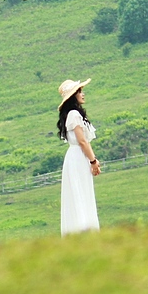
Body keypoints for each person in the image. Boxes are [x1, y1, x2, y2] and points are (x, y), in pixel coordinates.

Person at [57, 78, 100, 235]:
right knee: (81, 191)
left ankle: (81, 227)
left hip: (75, 157)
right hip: (79, 157)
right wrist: (93, 160)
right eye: (79, 91)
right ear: (73, 96)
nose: (83, 94)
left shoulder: (70, 114)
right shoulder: (74, 114)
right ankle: (84, 227)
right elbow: (82, 141)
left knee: (78, 191)